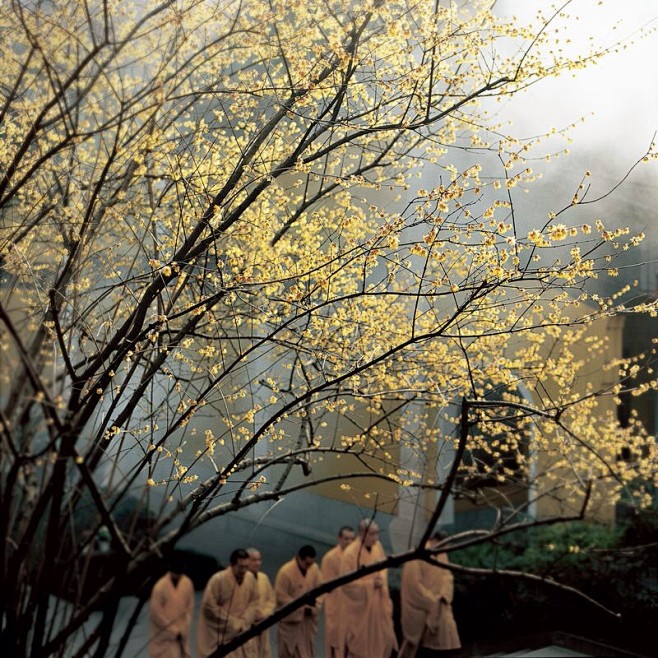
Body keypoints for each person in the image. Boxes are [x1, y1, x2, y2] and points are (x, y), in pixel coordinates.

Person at [340, 519, 398, 658]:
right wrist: (370, 585)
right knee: (361, 646)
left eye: (377, 534)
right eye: (372, 534)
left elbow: (383, 568)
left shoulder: (378, 546)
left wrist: (381, 580)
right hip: (361, 609)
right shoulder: (350, 553)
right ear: (362, 533)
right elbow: (347, 585)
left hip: (378, 603)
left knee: (384, 638)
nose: (376, 538)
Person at [398, 532, 461, 658]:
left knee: (447, 641)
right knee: (416, 647)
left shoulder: (442, 552)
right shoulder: (416, 555)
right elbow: (413, 584)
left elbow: (447, 576)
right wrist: (431, 600)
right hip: (421, 607)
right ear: (435, 540)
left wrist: (443, 595)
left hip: (441, 603)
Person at [197, 548, 259, 658]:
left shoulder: (250, 578)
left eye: (246, 567)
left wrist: (244, 620)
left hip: (242, 630)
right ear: (232, 565)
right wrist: (232, 623)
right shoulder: (218, 579)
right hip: (221, 633)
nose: (243, 570)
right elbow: (209, 607)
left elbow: (254, 602)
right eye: (240, 567)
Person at [274, 544, 323, 658]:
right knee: (287, 653)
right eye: (307, 564)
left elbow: (320, 590)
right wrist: (301, 608)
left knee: (307, 652)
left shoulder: (314, 569)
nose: (309, 566)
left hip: (307, 622)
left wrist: (314, 607)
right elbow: (281, 596)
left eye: (311, 563)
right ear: (299, 558)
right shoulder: (285, 572)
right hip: (291, 622)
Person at [148, 555, 195, 658]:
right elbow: (155, 612)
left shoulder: (187, 583)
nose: (178, 574)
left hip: (181, 631)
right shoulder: (160, 586)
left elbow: (190, 607)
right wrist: (172, 630)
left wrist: (184, 626)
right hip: (163, 634)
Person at [321, 526, 355, 658]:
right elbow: (328, 586)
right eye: (346, 539)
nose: (349, 542)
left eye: (352, 539)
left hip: (352, 606)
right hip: (336, 607)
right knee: (335, 641)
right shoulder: (330, 558)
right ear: (339, 539)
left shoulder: (355, 556)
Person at [246, 547, 276, 658]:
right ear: (246, 561)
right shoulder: (241, 581)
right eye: (253, 560)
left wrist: (265, 614)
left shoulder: (264, 578)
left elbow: (271, 599)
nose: (257, 563)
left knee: (263, 653)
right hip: (247, 628)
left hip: (263, 626)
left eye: (259, 560)